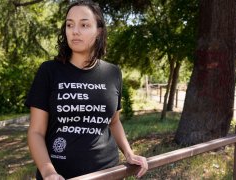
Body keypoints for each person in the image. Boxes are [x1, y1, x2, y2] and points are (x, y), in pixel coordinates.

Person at [25, 0, 148, 179]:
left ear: (98, 31)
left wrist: (129, 153)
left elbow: (113, 122)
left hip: (107, 173)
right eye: (69, 25)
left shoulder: (113, 73)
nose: (75, 31)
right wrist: (48, 172)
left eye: (84, 25)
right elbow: (36, 131)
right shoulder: (49, 71)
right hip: (60, 175)